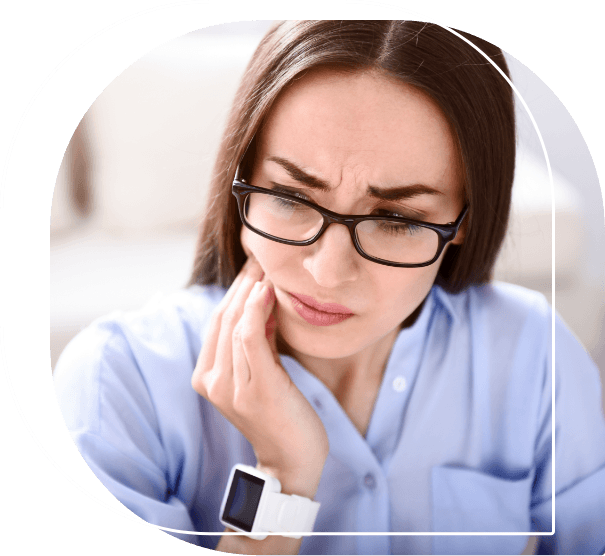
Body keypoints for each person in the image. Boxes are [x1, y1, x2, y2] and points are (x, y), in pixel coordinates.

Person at [53, 20, 605, 555]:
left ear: (464, 220)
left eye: (396, 219)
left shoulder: (535, 357)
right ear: (238, 179)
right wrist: (280, 480)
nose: (327, 271)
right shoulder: (117, 387)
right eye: (292, 199)